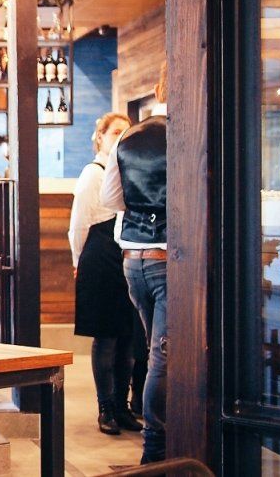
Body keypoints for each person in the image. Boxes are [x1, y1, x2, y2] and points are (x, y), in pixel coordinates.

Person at [101, 62, 168, 464]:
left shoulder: (129, 136)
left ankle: (161, 442)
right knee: (164, 357)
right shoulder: (191, 132)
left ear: (159, 91)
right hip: (168, 258)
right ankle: (157, 451)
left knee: (155, 351)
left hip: (133, 261)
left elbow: (111, 199)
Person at [68, 112, 143, 436]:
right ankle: (106, 408)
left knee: (127, 335)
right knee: (107, 337)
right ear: (100, 138)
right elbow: (78, 225)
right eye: (114, 132)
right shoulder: (92, 173)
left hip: (125, 254)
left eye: (125, 132)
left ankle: (123, 407)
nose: (120, 137)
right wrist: (77, 261)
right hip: (99, 256)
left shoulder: (128, 170)